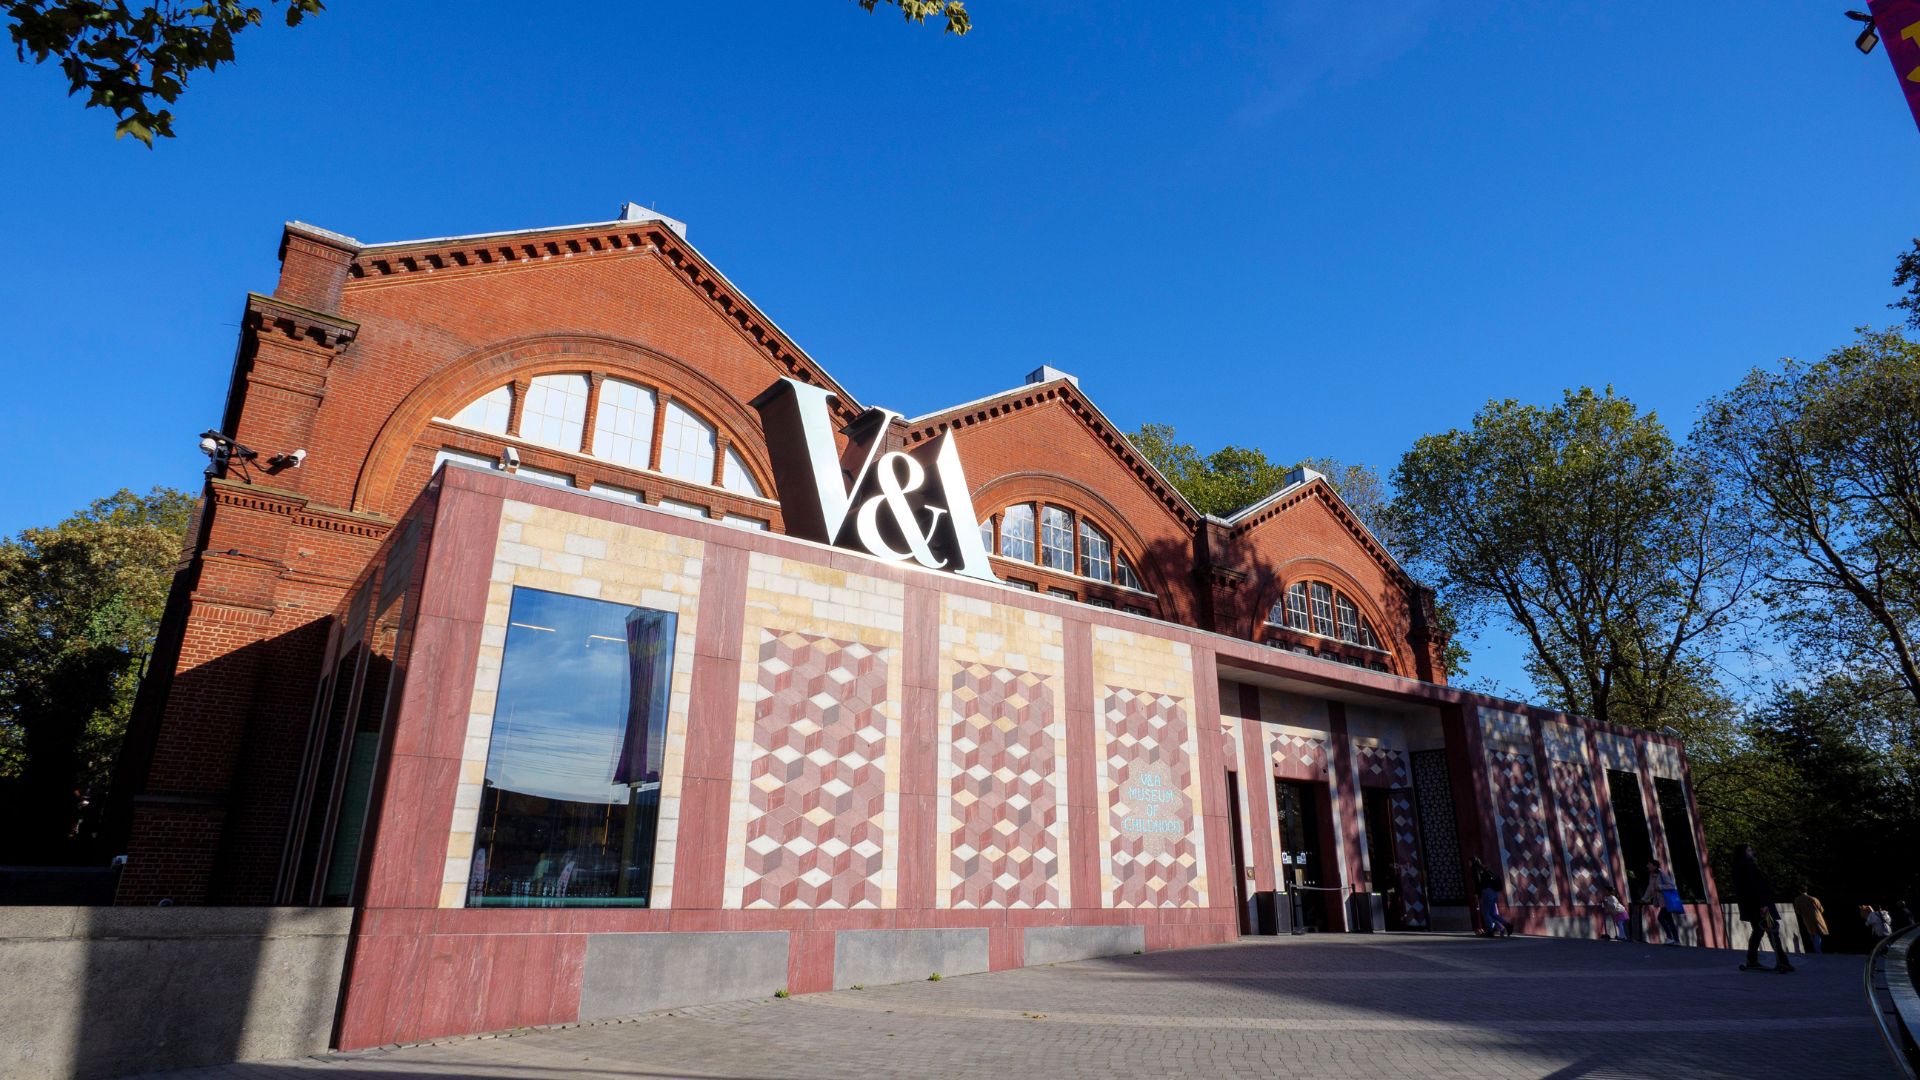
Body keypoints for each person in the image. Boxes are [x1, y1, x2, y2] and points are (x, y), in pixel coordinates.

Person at [1732, 844, 1794, 973]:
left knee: (1758, 932)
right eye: (1748, 850)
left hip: (1752, 907)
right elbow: (1754, 888)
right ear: (1743, 853)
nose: (1751, 852)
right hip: (1760, 907)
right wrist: (1762, 905)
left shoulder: (1739, 866)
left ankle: (1752, 960)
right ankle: (1782, 961)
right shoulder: (1748, 866)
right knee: (1772, 931)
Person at [1640, 860, 1684, 946]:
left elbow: (1671, 885)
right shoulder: (1651, 876)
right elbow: (1650, 888)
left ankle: (1670, 938)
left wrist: (1660, 887)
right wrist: (1644, 898)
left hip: (1667, 901)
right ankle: (1676, 940)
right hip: (1662, 902)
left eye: (1649, 864)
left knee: (1660, 918)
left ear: (1655, 866)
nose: (1647, 866)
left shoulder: (1662, 874)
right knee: (1670, 921)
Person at [1471, 856, 1512, 938]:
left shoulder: (1475, 869)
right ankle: (1507, 925)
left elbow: (1478, 882)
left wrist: (1477, 893)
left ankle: (1490, 930)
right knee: (1493, 913)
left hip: (1486, 892)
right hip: (1494, 891)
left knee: (1486, 912)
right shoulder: (1485, 868)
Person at [1790, 886, 1828, 955]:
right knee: (1817, 933)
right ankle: (1818, 951)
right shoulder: (1813, 898)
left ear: (1799, 891)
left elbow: (1798, 911)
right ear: (1806, 890)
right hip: (1817, 918)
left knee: (1812, 933)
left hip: (1806, 918)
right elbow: (1821, 909)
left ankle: (1817, 950)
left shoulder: (1797, 899)